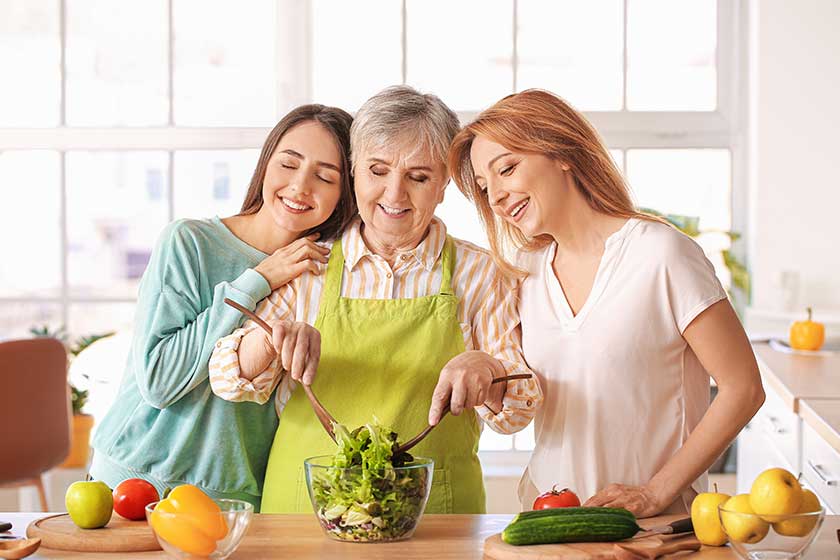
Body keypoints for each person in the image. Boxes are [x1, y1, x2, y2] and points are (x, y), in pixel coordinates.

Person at [209, 85, 543, 514]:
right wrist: (271, 341)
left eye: (419, 177)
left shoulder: (480, 274)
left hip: (432, 516)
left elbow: (519, 408)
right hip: (304, 511)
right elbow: (226, 379)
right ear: (353, 171)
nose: (394, 195)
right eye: (378, 171)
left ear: (445, 184)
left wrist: (489, 369)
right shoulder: (307, 263)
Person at [448, 89, 764, 517]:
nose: (497, 196)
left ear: (561, 152)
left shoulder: (661, 254)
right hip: (549, 515)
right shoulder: (525, 271)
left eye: (507, 169)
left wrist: (654, 493)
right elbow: (517, 394)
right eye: (485, 188)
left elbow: (743, 388)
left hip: (654, 526)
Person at [90, 104, 357, 510]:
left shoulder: (327, 274)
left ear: (344, 194)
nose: (301, 187)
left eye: (324, 176)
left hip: (232, 502)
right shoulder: (189, 243)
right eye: (288, 164)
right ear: (266, 164)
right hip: (130, 484)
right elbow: (160, 380)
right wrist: (259, 280)